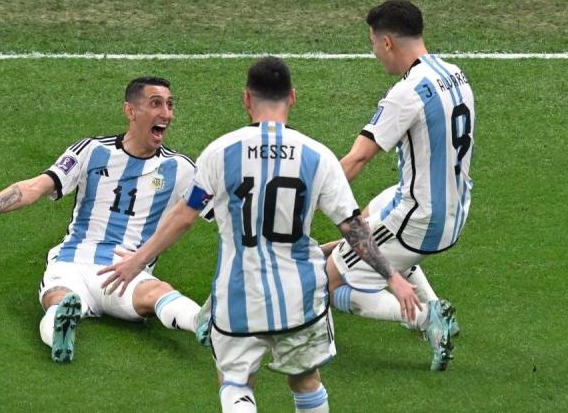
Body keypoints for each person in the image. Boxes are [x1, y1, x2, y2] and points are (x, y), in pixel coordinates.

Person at [97, 57, 421, 413]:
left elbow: (184, 217)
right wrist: (392, 277)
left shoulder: (219, 153)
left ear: (247, 99)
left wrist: (137, 262)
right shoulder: (319, 156)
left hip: (238, 297)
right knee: (306, 383)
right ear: (293, 97)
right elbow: (353, 228)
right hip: (300, 298)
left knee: (235, 384)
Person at [0, 76, 209, 363]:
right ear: (130, 111)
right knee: (60, 299)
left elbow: (221, 209)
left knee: (156, 292)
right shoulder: (92, 151)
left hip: (125, 270)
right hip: (73, 262)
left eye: (170, 105)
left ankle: (200, 321)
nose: (167, 113)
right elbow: (36, 187)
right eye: (156, 104)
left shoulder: (181, 169)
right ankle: (62, 333)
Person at [323, 0, 476, 371]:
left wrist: (309, 200)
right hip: (457, 206)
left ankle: (425, 319)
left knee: (324, 283)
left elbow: (357, 159)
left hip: (421, 222)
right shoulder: (455, 73)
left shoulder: (406, 94)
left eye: (374, 44)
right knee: (370, 214)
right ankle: (439, 307)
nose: (375, 53)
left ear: (387, 42)